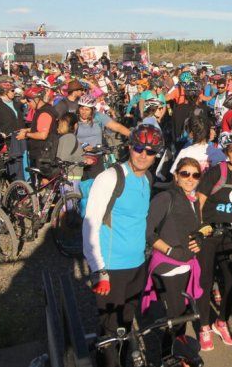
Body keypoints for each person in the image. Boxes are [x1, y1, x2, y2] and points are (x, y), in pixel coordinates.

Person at [83, 124, 161, 367]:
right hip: (111, 269)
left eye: (149, 151)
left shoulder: (148, 178)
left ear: (155, 155)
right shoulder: (110, 178)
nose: (143, 154)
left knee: (126, 325)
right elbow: (90, 224)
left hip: (137, 265)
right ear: (130, 147)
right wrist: (99, 269)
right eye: (138, 148)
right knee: (109, 330)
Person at [195, 131, 232, 350]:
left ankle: (221, 322)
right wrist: (201, 227)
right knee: (205, 280)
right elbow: (198, 202)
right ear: (227, 152)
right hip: (210, 234)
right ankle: (203, 326)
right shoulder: (216, 173)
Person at [145, 158, 204, 339]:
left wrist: (199, 237)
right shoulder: (165, 197)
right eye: (185, 173)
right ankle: (171, 355)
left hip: (186, 264)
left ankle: (178, 349)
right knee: (176, 315)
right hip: (168, 266)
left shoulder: (193, 200)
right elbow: (147, 232)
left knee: (183, 311)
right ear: (176, 176)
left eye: (195, 175)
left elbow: (193, 229)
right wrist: (170, 250)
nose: (190, 178)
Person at [76, 94, 131, 179]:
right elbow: (69, 138)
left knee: (96, 183)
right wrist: (83, 145)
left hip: (96, 156)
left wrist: (133, 135)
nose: (83, 112)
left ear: (92, 110)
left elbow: (116, 126)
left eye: (87, 109)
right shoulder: (74, 119)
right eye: (81, 108)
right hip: (78, 156)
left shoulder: (98, 117)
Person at [0, 76, 26, 180]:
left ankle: (21, 183)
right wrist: (0, 132)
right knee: (11, 164)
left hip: (20, 137)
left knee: (21, 162)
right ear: (5, 92)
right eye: (12, 90)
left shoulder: (17, 104)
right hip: (7, 139)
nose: (14, 92)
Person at [19, 86, 58, 177]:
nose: (28, 104)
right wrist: (28, 129)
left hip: (43, 154)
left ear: (37, 100)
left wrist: (26, 134)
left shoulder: (44, 112)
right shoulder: (42, 109)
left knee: (42, 181)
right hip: (44, 151)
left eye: (29, 101)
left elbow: (43, 135)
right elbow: (40, 127)